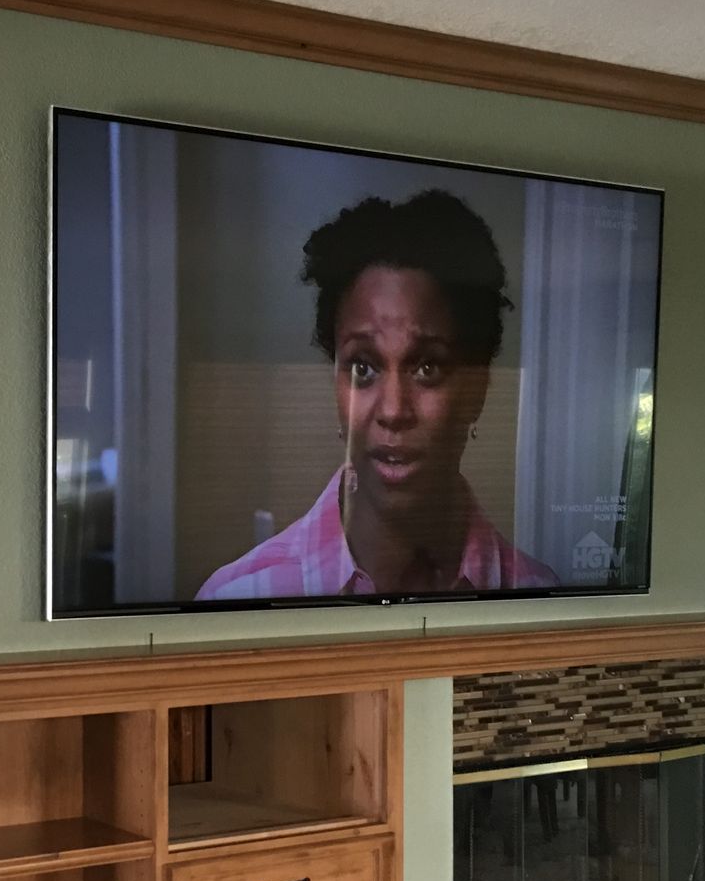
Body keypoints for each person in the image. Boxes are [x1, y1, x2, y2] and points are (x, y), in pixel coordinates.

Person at [197, 188, 557, 600]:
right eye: (363, 368)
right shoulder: (237, 600)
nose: (392, 410)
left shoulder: (538, 595)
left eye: (427, 368)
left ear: (477, 390)